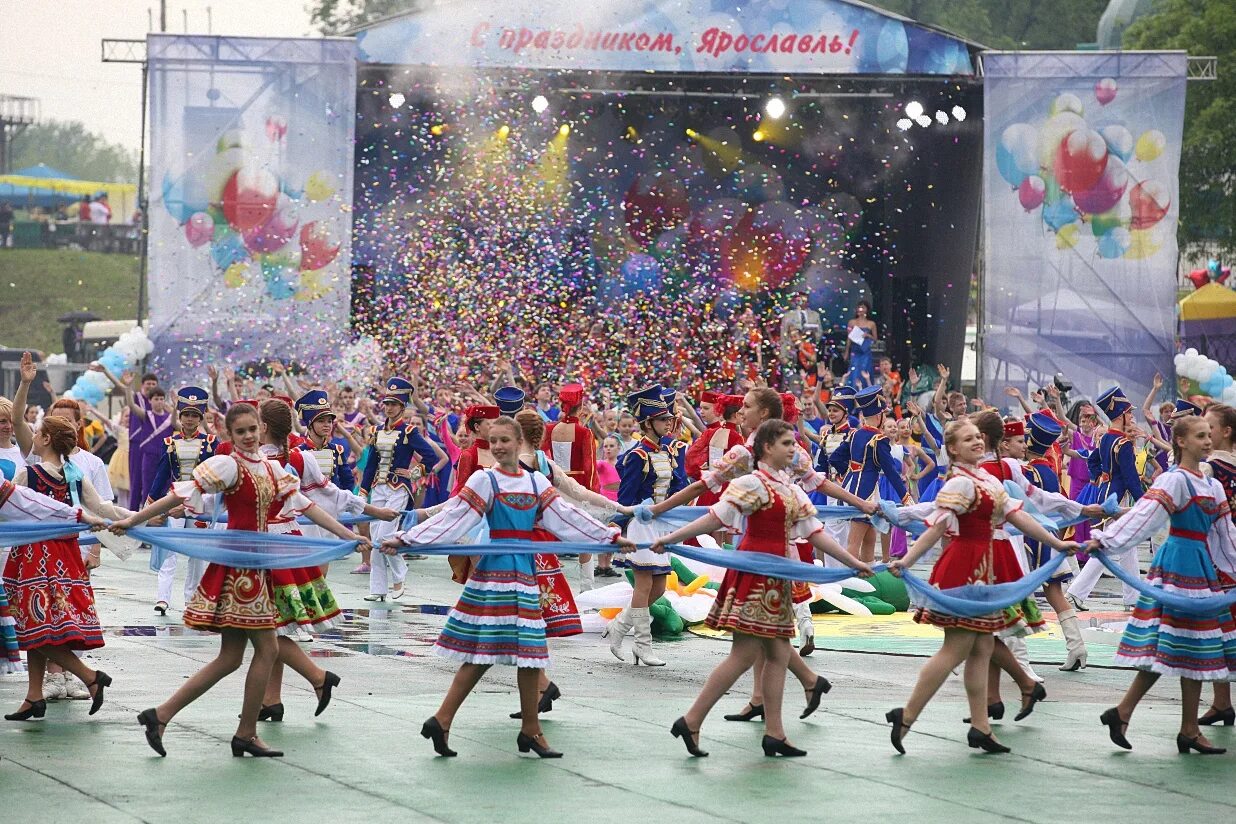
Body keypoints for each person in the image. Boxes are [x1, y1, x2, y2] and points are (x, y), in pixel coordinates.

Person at [111, 403, 368, 758]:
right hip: (242, 572)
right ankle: (244, 733)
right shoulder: (228, 465)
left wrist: (346, 535)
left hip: (256, 567)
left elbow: (308, 506)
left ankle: (161, 715)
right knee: (267, 648)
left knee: (231, 657)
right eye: (240, 432)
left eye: (252, 429)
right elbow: (181, 495)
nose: (248, 436)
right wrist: (133, 521)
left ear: (262, 429)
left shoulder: (271, 468)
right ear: (230, 436)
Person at [380, 415, 635, 758]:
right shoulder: (485, 480)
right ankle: (498, 726)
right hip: (496, 575)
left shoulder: (534, 484)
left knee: (523, 655)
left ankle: (487, 724)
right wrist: (407, 539)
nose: (497, 447)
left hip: (523, 574)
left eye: (504, 440)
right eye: (493, 441)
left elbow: (569, 518)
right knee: (495, 654)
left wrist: (611, 538)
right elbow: (455, 518)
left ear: (519, 443)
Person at [652, 419, 873, 758]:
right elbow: (714, 517)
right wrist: (670, 539)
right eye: (787, 443)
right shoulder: (751, 484)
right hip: (756, 574)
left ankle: (773, 732)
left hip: (776, 577)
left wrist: (852, 563)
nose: (794, 449)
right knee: (746, 655)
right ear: (768, 447)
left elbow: (814, 533)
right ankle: (695, 719)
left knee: (778, 652)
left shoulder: (789, 488)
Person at [885, 420, 1081, 755]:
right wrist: (906, 560)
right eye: (967, 439)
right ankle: (908, 714)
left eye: (977, 437)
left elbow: (1019, 517)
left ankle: (981, 726)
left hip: (985, 568)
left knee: (981, 650)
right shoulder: (960, 482)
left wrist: (1054, 542)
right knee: (956, 649)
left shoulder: (987, 478)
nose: (976, 442)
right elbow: (937, 526)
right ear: (952, 449)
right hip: (965, 569)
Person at [1093, 414, 1236, 754]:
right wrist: (1106, 540)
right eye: (1199, 436)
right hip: (1177, 565)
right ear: (1181, 442)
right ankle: (1179, 728)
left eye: (1208, 435)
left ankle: (1137, 715)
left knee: (1189, 647)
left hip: (1201, 567)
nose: (1206, 441)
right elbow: (1144, 516)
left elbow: (1226, 536)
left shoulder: (1212, 485)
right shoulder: (1175, 481)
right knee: (1187, 645)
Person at [3, 416, 122, 722]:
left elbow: (10, 503)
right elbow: (102, 508)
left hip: (35, 555)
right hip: (65, 555)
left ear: (44, 440)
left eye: (37, 432)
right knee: (39, 625)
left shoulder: (29, 473)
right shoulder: (75, 473)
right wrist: (135, 518)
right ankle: (33, 696)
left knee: (35, 626)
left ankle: (90, 675)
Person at [606, 385, 688, 667]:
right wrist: (622, 527)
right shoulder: (637, 457)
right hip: (642, 526)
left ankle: (618, 628)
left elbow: (679, 486)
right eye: (663, 419)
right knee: (644, 585)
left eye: (668, 418)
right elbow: (625, 498)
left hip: (661, 525)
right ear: (648, 423)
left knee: (660, 588)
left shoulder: (667, 451)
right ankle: (643, 645)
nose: (669, 423)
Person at [357, 378, 439, 602]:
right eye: (387, 403)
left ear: (402, 407)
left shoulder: (409, 432)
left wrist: (414, 473)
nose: (389, 407)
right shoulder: (375, 431)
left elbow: (430, 457)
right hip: (378, 489)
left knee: (385, 535)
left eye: (394, 404)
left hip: (398, 488)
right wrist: (364, 490)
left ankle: (400, 575)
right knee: (376, 537)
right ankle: (378, 588)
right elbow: (371, 464)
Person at [1066, 387, 1145, 610]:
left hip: (1105, 495)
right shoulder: (1123, 443)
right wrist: (1146, 502)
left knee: (1125, 547)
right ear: (1120, 415)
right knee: (1107, 547)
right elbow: (1131, 479)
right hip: (1117, 502)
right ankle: (1076, 593)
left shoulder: (1106, 438)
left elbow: (1092, 462)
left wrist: (1100, 478)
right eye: (1129, 413)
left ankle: (1132, 597)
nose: (1131, 417)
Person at [143, 386, 217, 615]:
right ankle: (163, 598)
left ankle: (192, 599)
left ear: (200, 417)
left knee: (197, 552)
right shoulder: (169, 443)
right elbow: (161, 475)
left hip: (200, 500)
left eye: (194, 415)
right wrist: (152, 505)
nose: (190, 419)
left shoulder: (211, 443)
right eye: (186, 414)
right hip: (174, 499)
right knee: (169, 549)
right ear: (180, 415)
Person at [829, 386, 907, 564]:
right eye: (884, 414)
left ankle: (867, 578)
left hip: (853, 488)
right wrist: (905, 496)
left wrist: (849, 474)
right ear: (879, 416)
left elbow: (835, 458)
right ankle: (849, 581)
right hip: (867, 494)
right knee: (854, 542)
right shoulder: (879, 440)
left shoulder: (855, 434)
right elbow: (891, 472)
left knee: (870, 538)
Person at [1199, 403, 1236, 726]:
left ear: (1226, 432)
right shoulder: (1210, 469)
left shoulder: (1215, 470)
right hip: (1216, 557)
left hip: (1225, 557)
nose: (1205, 433)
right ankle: (1222, 702)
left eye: (1209, 427)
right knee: (1219, 630)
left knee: (1222, 630)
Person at [541, 383, 600, 587]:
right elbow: (589, 466)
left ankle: (550, 585)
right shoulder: (584, 432)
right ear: (581, 405)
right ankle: (586, 587)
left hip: (555, 485)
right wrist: (593, 494)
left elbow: (542, 456)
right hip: (578, 486)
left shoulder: (551, 429)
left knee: (552, 536)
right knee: (586, 538)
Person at [843, 301, 877, 388]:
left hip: (865, 352)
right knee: (854, 370)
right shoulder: (851, 322)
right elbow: (849, 338)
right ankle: (853, 391)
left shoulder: (871, 324)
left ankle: (866, 391)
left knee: (865, 370)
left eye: (863, 308)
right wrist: (846, 352)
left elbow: (875, 339)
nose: (861, 309)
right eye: (859, 307)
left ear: (867, 310)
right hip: (855, 351)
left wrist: (868, 335)